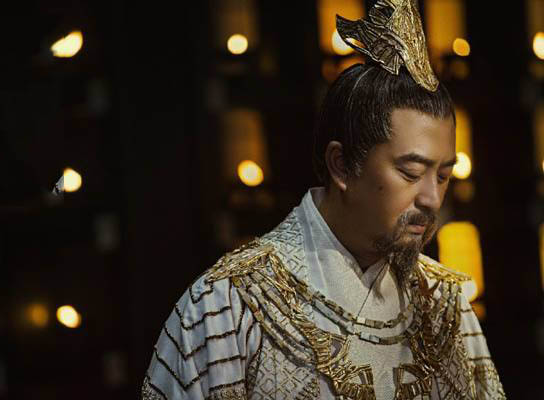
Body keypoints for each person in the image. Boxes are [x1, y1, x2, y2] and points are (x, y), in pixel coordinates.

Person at [141, 1, 505, 398]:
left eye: (443, 176)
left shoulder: (447, 304)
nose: (433, 198)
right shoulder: (229, 306)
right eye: (411, 173)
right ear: (342, 165)